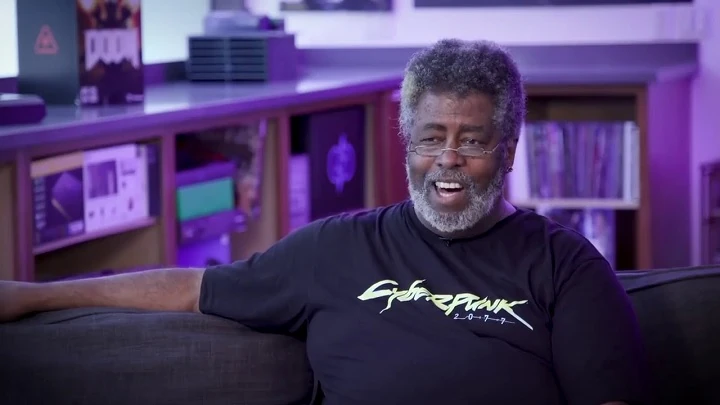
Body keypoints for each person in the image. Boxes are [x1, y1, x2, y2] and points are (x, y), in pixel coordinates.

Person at [0, 39, 649, 405]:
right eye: (431, 138)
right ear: (407, 144)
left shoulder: (566, 266)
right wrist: (31, 296)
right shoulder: (336, 249)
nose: (447, 160)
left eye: (472, 141)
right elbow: (191, 288)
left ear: (507, 151)